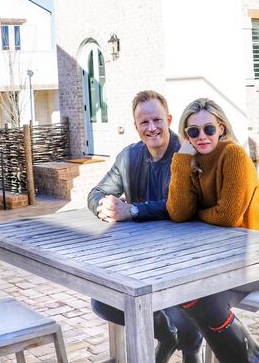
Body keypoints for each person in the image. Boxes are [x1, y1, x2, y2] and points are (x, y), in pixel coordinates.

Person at [87, 89, 203, 363]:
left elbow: (181, 205)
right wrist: (105, 207)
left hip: (184, 259)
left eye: (157, 120)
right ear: (136, 126)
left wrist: (134, 210)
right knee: (103, 301)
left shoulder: (186, 153)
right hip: (140, 261)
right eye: (144, 122)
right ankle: (166, 335)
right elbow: (95, 193)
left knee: (185, 313)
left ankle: (189, 347)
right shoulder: (129, 157)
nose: (152, 128)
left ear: (169, 119)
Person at [167, 98, 259, 363]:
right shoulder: (192, 162)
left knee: (203, 298)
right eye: (193, 131)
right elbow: (177, 213)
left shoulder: (232, 154)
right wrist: (181, 161)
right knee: (189, 296)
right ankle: (256, 359)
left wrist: (196, 215)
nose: (202, 136)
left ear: (221, 128)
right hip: (227, 261)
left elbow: (227, 216)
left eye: (209, 128)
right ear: (185, 135)